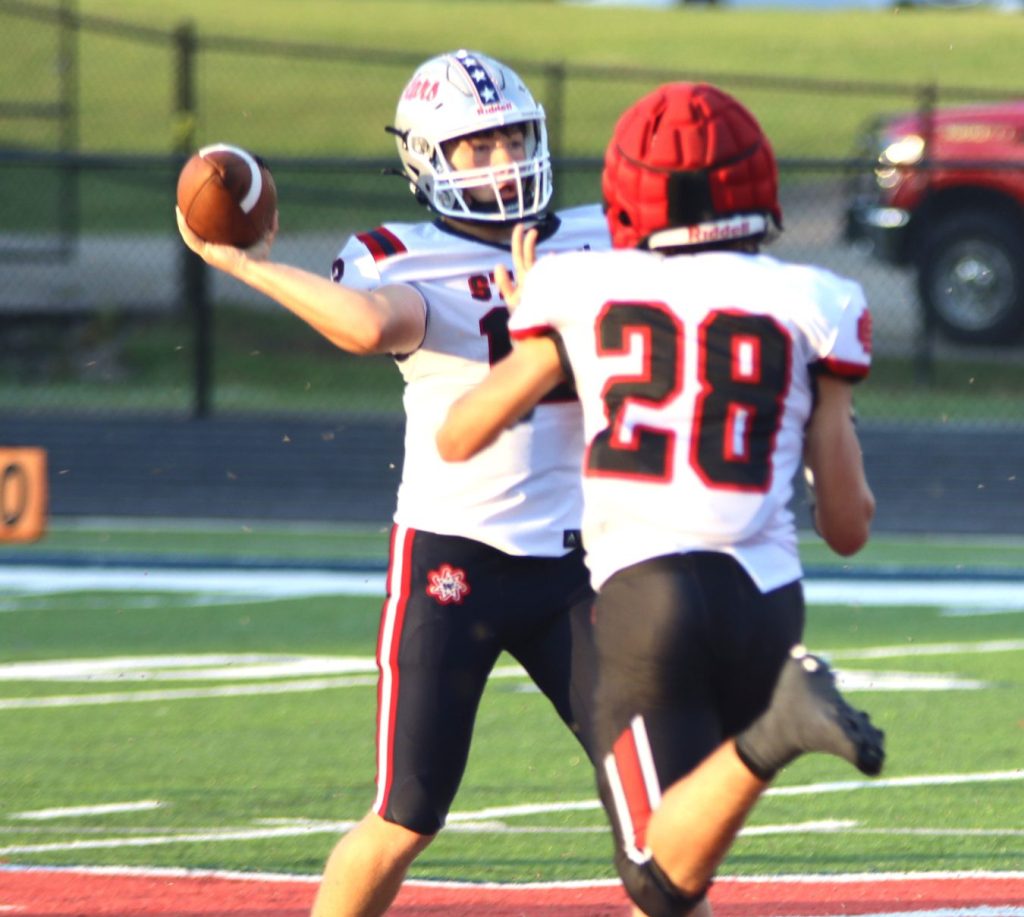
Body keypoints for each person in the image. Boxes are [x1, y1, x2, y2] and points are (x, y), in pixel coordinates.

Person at [176, 49, 611, 917]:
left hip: (581, 566)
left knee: (660, 793)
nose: (504, 161)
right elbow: (370, 326)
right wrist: (246, 264)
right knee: (408, 811)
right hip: (457, 562)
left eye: (514, 138)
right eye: (478, 146)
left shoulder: (600, 234)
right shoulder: (400, 256)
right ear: (426, 160)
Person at [437, 81, 886, 917]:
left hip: (650, 596)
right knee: (680, 867)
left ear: (629, 192)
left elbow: (459, 436)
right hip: (768, 601)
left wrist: (542, 329)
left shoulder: (579, 287)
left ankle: (778, 730)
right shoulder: (819, 301)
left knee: (654, 871)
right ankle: (776, 722)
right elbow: (847, 525)